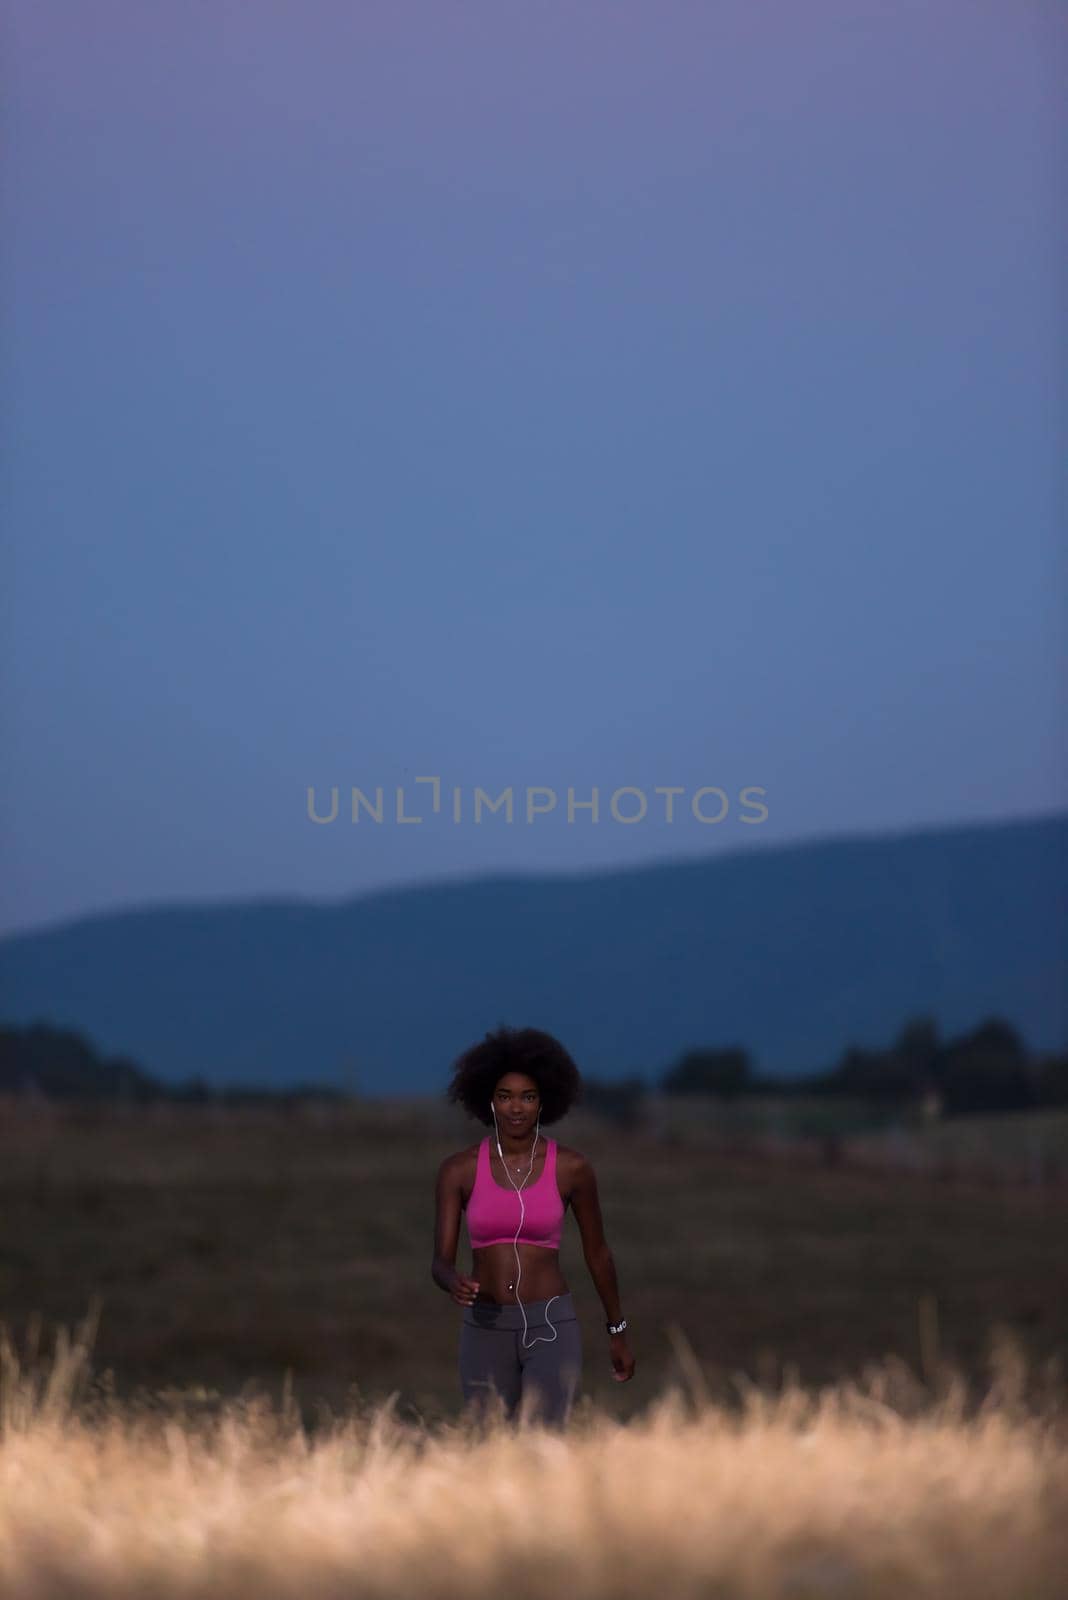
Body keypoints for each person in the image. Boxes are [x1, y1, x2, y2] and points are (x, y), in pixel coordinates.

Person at [432, 1024, 636, 1429]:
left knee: (544, 1443)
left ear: (544, 1101)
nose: (516, 1108)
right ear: (488, 1101)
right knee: (489, 1447)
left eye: (528, 1096)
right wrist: (450, 1279)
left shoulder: (572, 1168)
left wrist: (617, 1330)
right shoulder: (459, 1170)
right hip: (485, 1327)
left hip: (552, 1326)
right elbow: (439, 1260)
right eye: (505, 1097)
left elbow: (598, 1254)